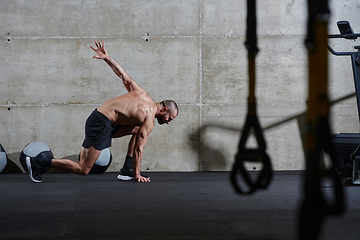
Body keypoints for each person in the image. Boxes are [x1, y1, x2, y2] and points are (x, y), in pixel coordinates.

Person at [26, 40, 178, 183]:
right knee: (83, 168)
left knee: (137, 130)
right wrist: (138, 175)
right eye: (169, 117)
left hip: (99, 119)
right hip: (102, 124)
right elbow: (139, 148)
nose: (169, 122)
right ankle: (39, 162)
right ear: (164, 109)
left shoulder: (142, 94)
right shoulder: (148, 120)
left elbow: (123, 76)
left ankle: (127, 169)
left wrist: (107, 58)